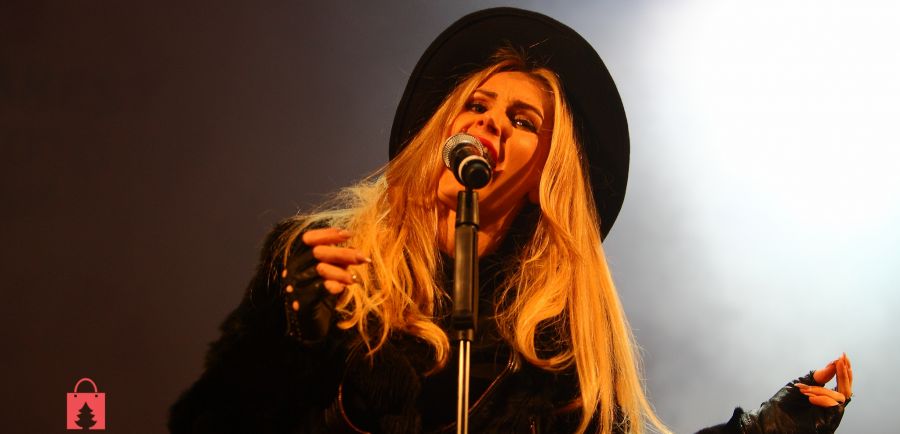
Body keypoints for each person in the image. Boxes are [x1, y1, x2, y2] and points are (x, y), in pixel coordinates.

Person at [169, 8, 853, 434]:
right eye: (477, 105)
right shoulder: (324, 264)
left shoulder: (559, 345)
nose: (491, 122)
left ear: (541, 179)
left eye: (522, 121)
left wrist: (766, 431)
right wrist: (291, 337)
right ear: (443, 133)